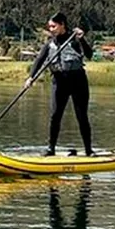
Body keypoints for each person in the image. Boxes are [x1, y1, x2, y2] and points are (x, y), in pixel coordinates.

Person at [25, 12, 94, 156]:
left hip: (78, 81)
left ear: (62, 25)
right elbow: (39, 60)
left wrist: (82, 39)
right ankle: (51, 149)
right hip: (59, 82)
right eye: (49, 26)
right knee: (55, 115)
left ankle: (89, 150)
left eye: (53, 26)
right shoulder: (50, 44)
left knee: (82, 116)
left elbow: (89, 54)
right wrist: (31, 78)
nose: (51, 29)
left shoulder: (74, 40)